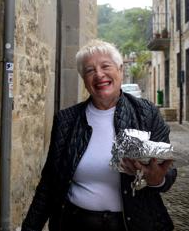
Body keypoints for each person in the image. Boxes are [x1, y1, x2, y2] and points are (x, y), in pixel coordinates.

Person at [21, 39, 176, 231]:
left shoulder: (146, 113)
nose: (99, 74)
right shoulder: (66, 120)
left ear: (120, 69)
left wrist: (156, 179)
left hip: (132, 224)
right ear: (84, 80)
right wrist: (30, 227)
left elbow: (168, 173)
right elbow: (50, 182)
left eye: (105, 66)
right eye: (89, 70)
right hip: (75, 224)